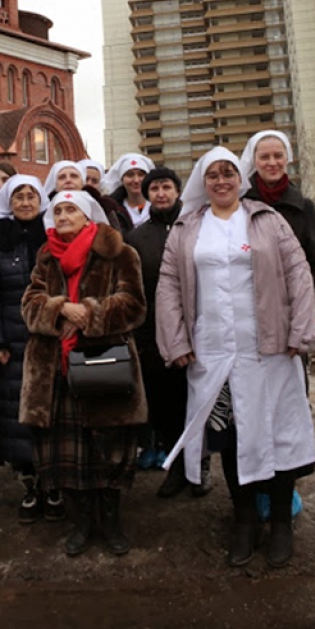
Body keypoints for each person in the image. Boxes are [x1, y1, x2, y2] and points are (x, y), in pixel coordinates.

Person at [156, 147, 315, 568]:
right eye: (213, 175)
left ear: (239, 178)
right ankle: (243, 519)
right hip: (214, 355)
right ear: (202, 182)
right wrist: (176, 341)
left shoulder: (266, 219)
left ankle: (281, 521)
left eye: (229, 173)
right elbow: (169, 285)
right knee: (230, 437)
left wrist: (301, 330)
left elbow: (299, 273)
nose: (222, 181)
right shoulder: (188, 227)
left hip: (272, 350)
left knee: (279, 434)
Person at [20, 190, 147, 557]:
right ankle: (81, 523)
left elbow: (135, 305)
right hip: (55, 370)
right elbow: (29, 304)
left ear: (88, 215)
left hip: (104, 362)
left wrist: (88, 313)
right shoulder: (46, 256)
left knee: (107, 450)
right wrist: (60, 309)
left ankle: (111, 522)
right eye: (57, 209)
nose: (61, 215)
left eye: (69, 209)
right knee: (67, 456)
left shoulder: (120, 252)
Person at [0, 174, 65, 523]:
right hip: (15, 344)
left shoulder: (54, 239)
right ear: (8, 203)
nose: (27, 202)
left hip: (53, 340)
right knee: (18, 419)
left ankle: (55, 483)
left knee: (54, 413)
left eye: (32, 196)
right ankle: (30, 485)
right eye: (19, 197)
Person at [126, 166, 211, 496]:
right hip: (153, 338)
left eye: (166, 187)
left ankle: (200, 465)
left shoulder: (197, 228)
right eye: (154, 188)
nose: (160, 193)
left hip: (198, 333)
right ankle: (177, 468)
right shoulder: (135, 238)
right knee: (166, 407)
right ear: (147, 195)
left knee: (199, 404)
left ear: (178, 191)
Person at [240, 130, 315, 305]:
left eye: (278, 156)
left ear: (287, 159)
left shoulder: (303, 208)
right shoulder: (240, 206)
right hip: (248, 306)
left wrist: (307, 302)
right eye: (264, 157)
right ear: (254, 161)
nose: (272, 163)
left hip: (291, 304)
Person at [105, 153, 155, 228]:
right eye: (130, 175)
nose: (136, 180)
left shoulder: (159, 205)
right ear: (122, 180)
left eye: (141, 175)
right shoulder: (113, 211)